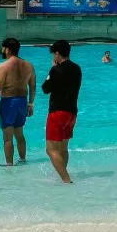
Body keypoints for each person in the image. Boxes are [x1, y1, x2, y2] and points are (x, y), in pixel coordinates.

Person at [0, 37, 36, 166]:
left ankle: (9, 165)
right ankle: (23, 160)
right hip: (23, 101)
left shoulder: (3, 66)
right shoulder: (29, 65)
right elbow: (33, 86)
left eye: (3, 48)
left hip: (8, 102)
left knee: (8, 137)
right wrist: (31, 103)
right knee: (19, 134)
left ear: (7, 49)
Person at [43, 40, 82, 183]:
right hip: (72, 113)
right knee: (63, 148)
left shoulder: (56, 69)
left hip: (57, 112)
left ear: (57, 53)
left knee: (51, 149)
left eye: (54, 54)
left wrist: (52, 70)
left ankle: (67, 180)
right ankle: (63, 175)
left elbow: (45, 89)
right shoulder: (77, 68)